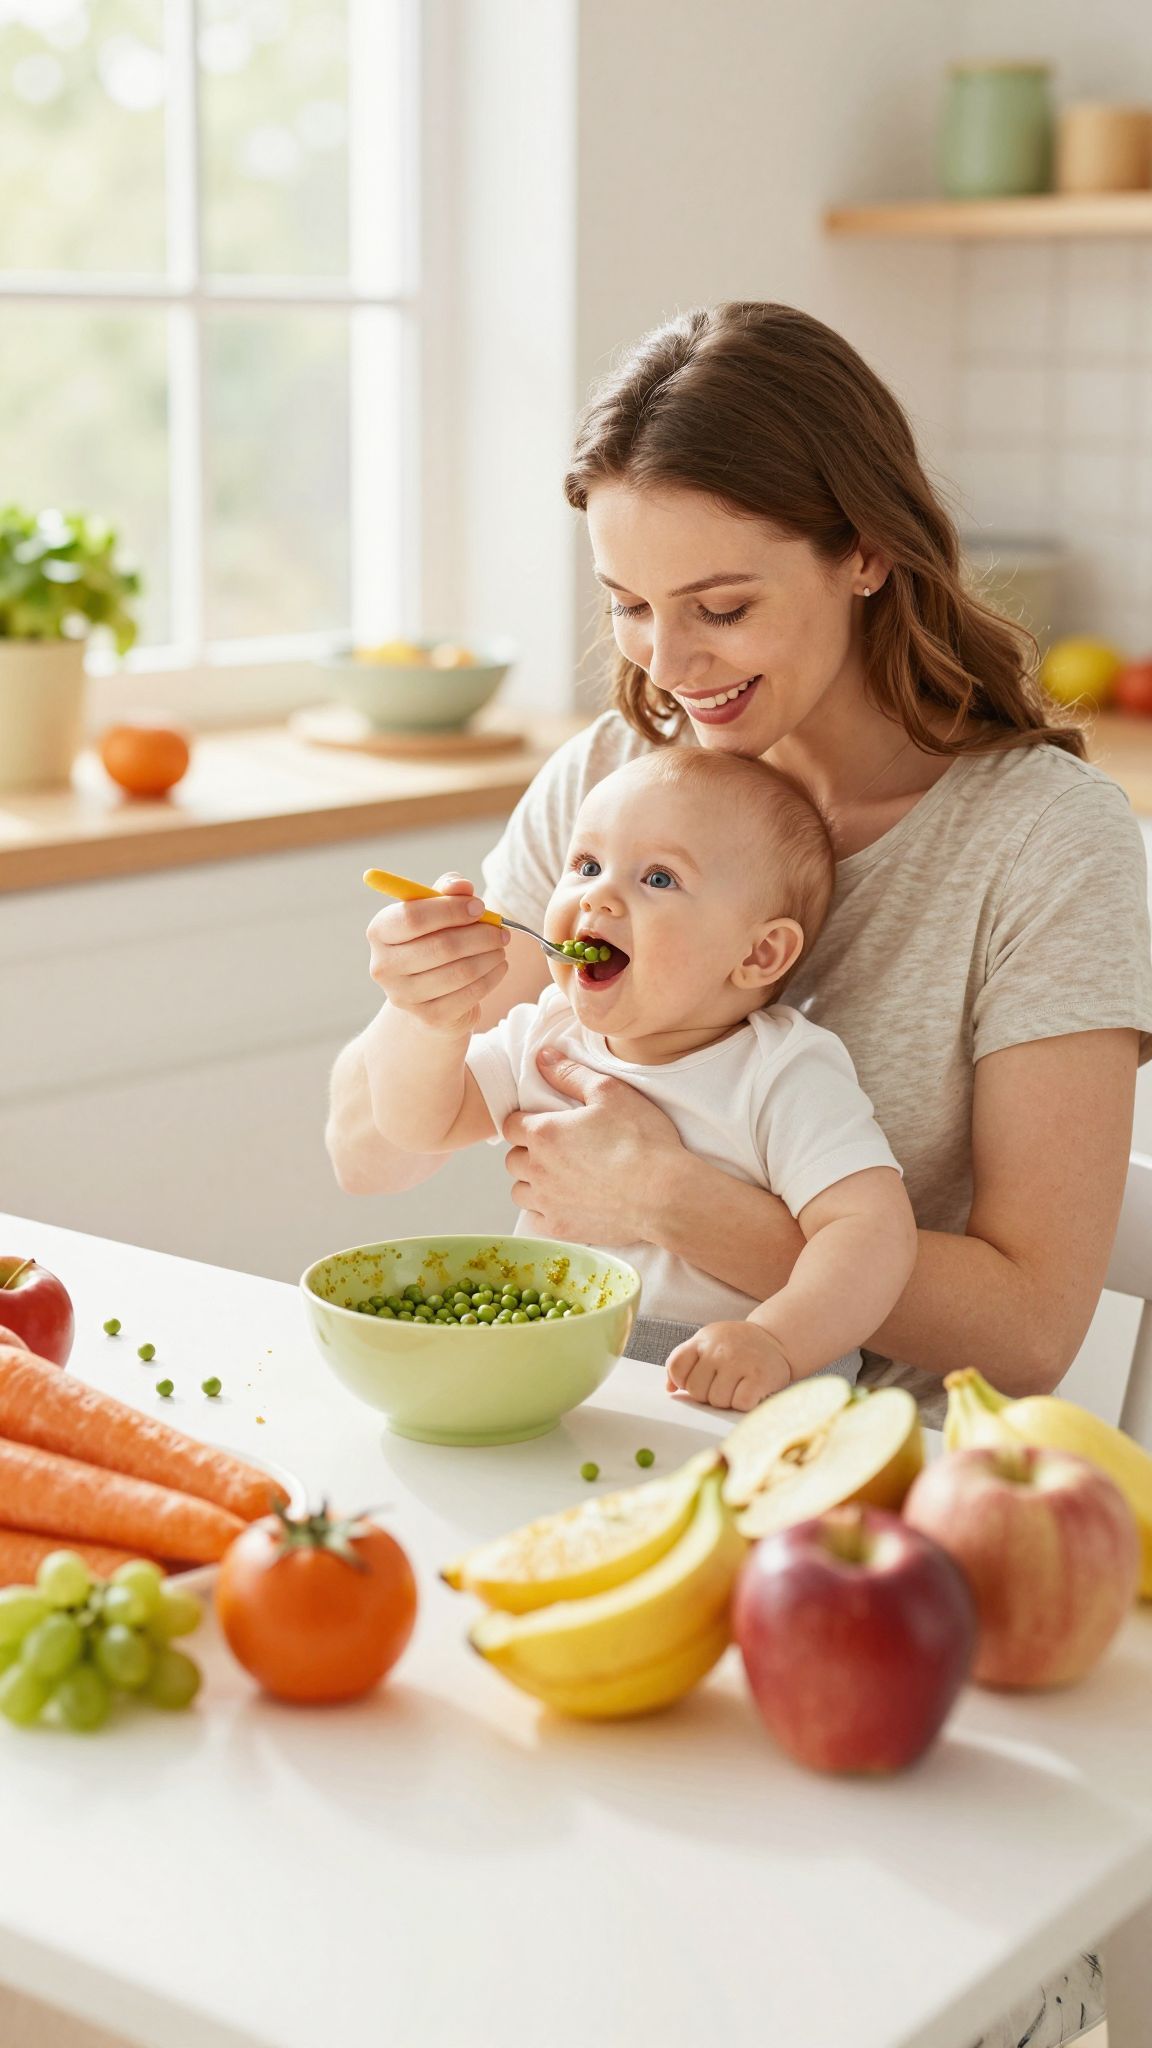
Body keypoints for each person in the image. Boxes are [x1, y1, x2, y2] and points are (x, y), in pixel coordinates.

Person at [329, 299, 1152, 2048]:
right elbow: (375, 1135)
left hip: (896, 1515)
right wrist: (422, 1013)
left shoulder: (1050, 848)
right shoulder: (606, 790)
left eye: (721, 605)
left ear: (865, 551)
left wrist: (689, 1209)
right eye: (627, 605)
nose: (670, 659)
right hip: (608, 1454)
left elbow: (1030, 1301)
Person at [364, 748, 917, 1409]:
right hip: (562, 1362)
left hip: (746, 1389)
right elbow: (418, 1124)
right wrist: (428, 1017)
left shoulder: (783, 1071)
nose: (598, 893)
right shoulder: (547, 1032)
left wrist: (776, 1340)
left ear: (758, 952)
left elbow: (871, 1233)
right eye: (588, 866)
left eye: (659, 878)